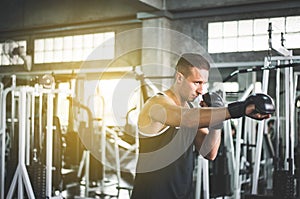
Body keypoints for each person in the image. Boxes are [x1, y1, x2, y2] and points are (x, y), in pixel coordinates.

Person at [130, 53, 274, 199]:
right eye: (196, 82)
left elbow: (209, 152)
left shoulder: (192, 109)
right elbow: (186, 118)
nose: (201, 90)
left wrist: (215, 120)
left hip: (182, 194)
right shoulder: (156, 104)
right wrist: (239, 109)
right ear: (179, 78)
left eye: (203, 84)